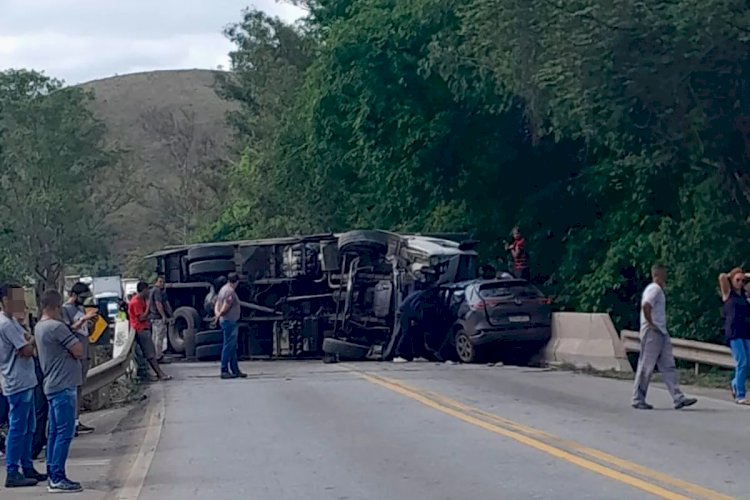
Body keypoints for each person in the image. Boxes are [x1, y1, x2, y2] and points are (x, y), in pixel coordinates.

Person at [35, 289, 85, 493]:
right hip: (63, 385)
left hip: (51, 384)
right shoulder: (56, 327)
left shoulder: (39, 327)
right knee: (64, 433)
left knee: (55, 432)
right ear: (56, 307)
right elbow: (78, 350)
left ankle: (52, 472)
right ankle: (57, 477)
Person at [632, 264, 697, 410]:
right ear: (658, 275)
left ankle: (678, 397)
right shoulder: (654, 289)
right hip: (652, 332)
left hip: (661, 332)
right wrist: (651, 323)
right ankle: (638, 398)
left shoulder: (656, 290)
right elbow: (646, 305)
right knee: (646, 366)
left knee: (668, 365)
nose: (665, 278)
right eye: (664, 275)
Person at [0, 284, 46, 488]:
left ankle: (27, 466)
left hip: (25, 379)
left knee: (29, 427)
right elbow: (26, 349)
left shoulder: (13, 322)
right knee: (18, 427)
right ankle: (12, 471)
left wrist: (29, 343)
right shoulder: (6, 324)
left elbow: (28, 341)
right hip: (16, 381)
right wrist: (30, 345)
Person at [62, 283, 97, 436]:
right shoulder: (65, 309)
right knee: (73, 388)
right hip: (74, 355)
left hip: (85, 351)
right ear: (74, 295)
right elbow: (67, 330)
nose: (84, 301)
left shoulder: (81, 309)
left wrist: (91, 323)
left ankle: (76, 421)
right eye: (82, 297)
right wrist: (84, 319)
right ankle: (70, 423)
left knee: (79, 388)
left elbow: (86, 332)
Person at [128, 283, 171, 382]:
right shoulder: (136, 302)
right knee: (150, 354)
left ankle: (155, 374)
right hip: (141, 329)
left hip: (143, 328)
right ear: (143, 290)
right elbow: (142, 317)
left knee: (148, 354)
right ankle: (160, 374)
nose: (149, 292)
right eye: (147, 290)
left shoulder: (139, 300)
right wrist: (148, 307)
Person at [719, 268, 750, 404]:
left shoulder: (745, 295)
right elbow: (721, 277)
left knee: (748, 362)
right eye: (738, 280)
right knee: (742, 361)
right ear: (732, 281)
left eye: (743, 280)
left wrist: (745, 276)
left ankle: (735, 383)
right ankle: (740, 394)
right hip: (733, 332)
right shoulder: (728, 294)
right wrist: (732, 275)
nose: (740, 283)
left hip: (746, 331)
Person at [214, 273, 246, 379]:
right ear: (236, 281)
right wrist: (220, 314)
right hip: (230, 322)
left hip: (226, 321)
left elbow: (217, 304)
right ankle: (224, 370)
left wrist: (217, 315)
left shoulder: (223, 289)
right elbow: (225, 306)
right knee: (228, 346)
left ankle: (235, 370)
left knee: (232, 347)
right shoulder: (230, 292)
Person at [393, 288, 430, 363]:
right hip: (406, 313)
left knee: (416, 333)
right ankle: (400, 354)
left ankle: (417, 355)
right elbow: (415, 307)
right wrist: (417, 318)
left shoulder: (419, 293)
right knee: (406, 333)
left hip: (406, 312)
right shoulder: (423, 296)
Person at [148, 276, 172, 364]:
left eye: (163, 282)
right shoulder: (157, 291)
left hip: (153, 317)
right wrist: (163, 316)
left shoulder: (151, 291)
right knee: (159, 337)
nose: (162, 284)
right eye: (160, 282)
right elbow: (158, 303)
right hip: (158, 317)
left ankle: (155, 355)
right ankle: (159, 356)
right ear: (156, 282)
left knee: (155, 337)